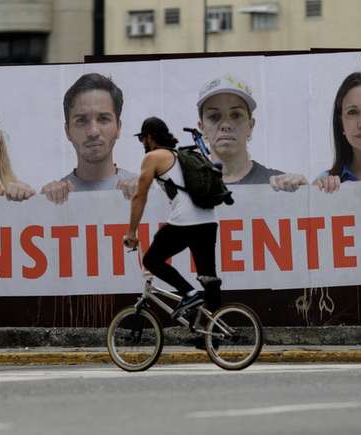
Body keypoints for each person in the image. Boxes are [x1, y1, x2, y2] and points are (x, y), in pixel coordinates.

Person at [123, 117, 222, 320]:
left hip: (186, 221)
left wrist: (131, 232)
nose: (142, 143)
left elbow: (140, 195)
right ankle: (213, 333)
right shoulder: (180, 156)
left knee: (151, 260)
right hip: (209, 220)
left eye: (142, 138)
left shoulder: (153, 157)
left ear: (149, 137)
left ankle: (189, 294)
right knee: (208, 278)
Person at [196, 74, 307, 191]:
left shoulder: (278, 187)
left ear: (250, 125)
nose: (226, 125)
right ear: (202, 128)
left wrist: (306, 196)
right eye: (214, 116)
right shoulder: (185, 189)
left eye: (236, 115)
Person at [41, 73, 137, 204]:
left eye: (103, 119)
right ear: (67, 131)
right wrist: (40, 205)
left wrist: (150, 199)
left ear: (118, 127)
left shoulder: (148, 192)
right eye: (81, 120)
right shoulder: (50, 199)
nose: (93, 132)